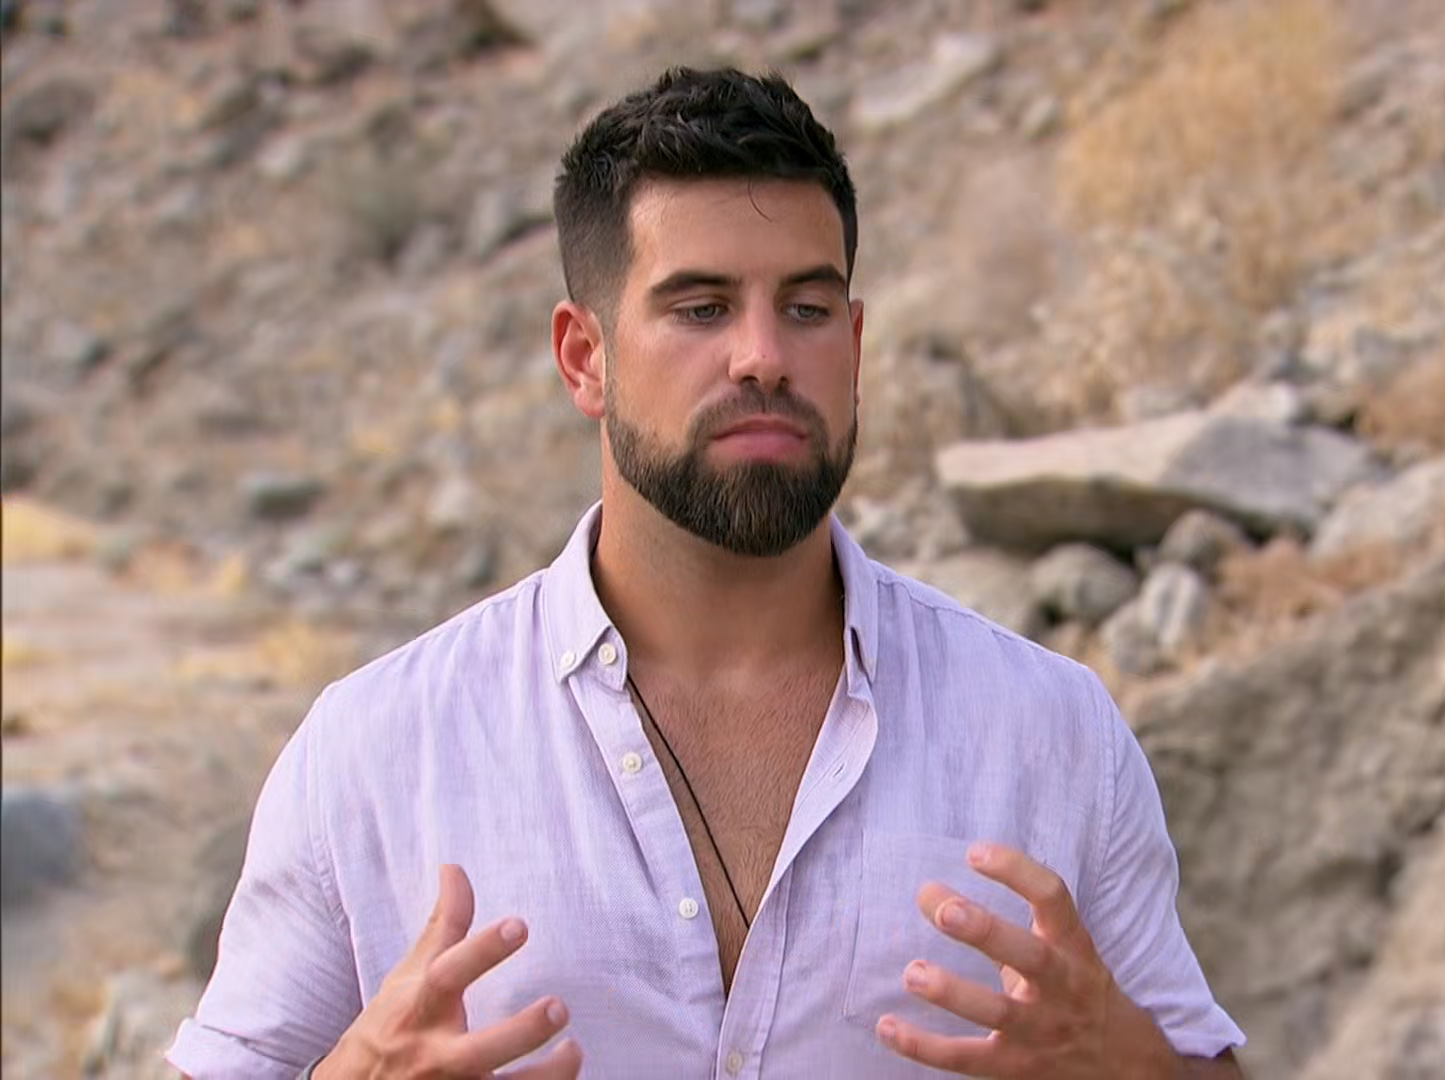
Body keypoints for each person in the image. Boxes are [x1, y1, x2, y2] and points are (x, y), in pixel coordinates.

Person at [166, 67, 1246, 1079]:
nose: (763, 355)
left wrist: (1138, 1066)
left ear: (855, 344)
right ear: (584, 357)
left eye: (807, 308)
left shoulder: (1050, 733)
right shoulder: (375, 754)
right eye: (701, 308)